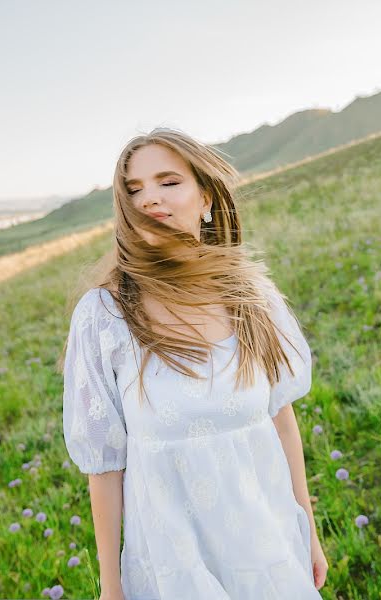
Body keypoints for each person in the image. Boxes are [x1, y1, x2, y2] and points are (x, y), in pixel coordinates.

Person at [60, 127, 328, 599]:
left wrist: (306, 529)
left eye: (168, 182)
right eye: (134, 189)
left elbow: (281, 419)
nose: (148, 200)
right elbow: (104, 463)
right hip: (173, 561)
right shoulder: (104, 315)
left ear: (205, 198)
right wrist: (110, 585)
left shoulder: (252, 297)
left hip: (266, 543)